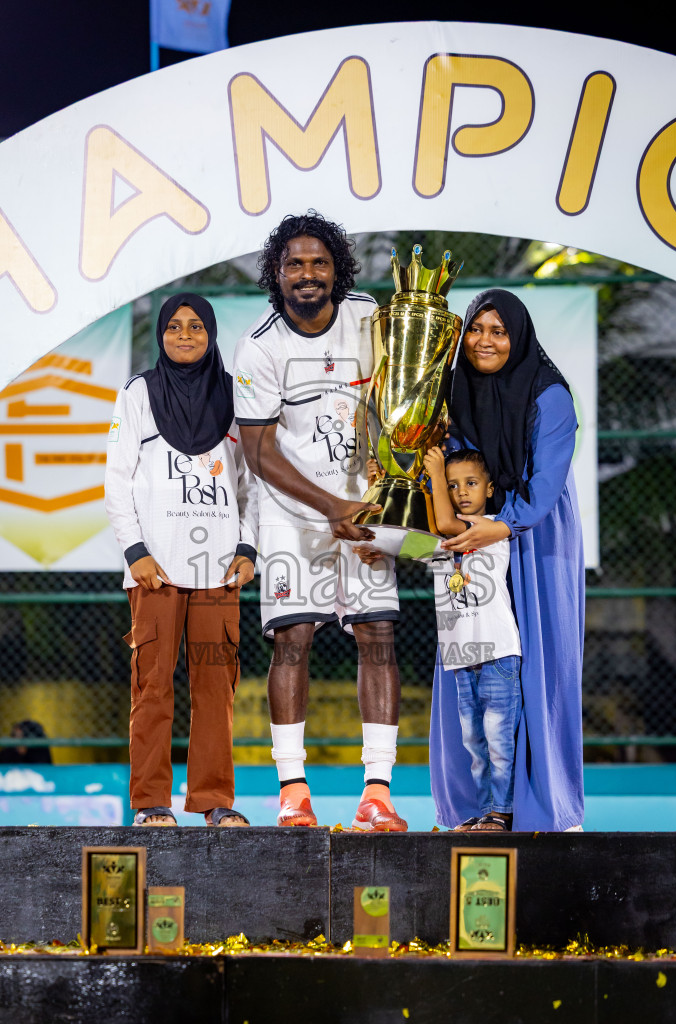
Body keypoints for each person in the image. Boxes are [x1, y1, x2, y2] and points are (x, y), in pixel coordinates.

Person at [233, 211, 407, 831]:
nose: (307, 275)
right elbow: (257, 452)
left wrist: (375, 502)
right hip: (291, 514)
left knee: (378, 638)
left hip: (363, 509)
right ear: (276, 275)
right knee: (292, 641)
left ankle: (378, 793)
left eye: (318, 263)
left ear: (338, 268)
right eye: (294, 265)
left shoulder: (369, 318)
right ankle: (293, 791)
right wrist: (328, 507)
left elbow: (402, 406)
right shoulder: (260, 345)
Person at [430, 288, 585, 832]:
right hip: (474, 535)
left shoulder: (550, 395)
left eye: (498, 331)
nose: (485, 341)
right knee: (472, 667)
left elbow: (545, 486)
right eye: (476, 329)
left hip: (533, 537)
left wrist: (495, 526)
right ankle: (478, 807)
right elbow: (449, 469)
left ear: (517, 337)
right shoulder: (455, 390)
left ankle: (542, 806)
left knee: (536, 666)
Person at [105, 293, 258, 827]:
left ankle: (214, 801)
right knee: (152, 688)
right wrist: (136, 552)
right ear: (161, 335)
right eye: (174, 326)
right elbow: (117, 481)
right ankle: (151, 805)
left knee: (216, 688)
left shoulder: (234, 397)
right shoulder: (139, 393)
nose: (186, 335)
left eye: (196, 326)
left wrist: (247, 547)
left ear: (212, 334)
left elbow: (250, 482)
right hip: (156, 571)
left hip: (218, 571)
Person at [422, 446, 521, 831]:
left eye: (471, 483)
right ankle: (485, 813)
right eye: (451, 485)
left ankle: (504, 812)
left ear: (490, 489)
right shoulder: (438, 544)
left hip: (498, 654)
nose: (461, 491)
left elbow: (447, 524)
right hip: (462, 658)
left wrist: (433, 475)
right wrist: (370, 547)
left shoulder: (491, 529)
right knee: (475, 747)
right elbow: (407, 546)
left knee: (499, 743)